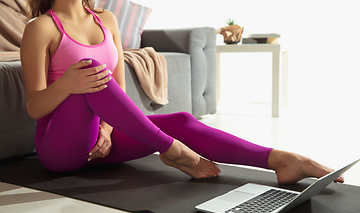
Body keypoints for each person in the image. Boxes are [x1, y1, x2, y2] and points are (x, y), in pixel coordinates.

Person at [21, 0, 343, 184]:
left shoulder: (106, 20)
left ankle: (280, 160)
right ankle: (173, 151)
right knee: (90, 70)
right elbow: (35, 106)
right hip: (59, 148)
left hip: (100, 144)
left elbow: (117, 88)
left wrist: (106, 129)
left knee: (179, 120)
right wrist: (67, 84)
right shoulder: (41, 28)